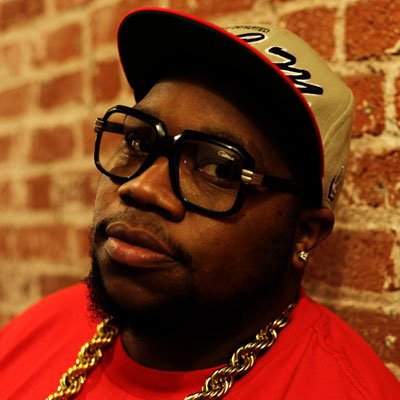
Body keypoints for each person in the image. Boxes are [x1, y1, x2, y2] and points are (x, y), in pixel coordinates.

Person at [0, 7, 398, 400]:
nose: (142, 187)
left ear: (304, 233)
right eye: (139, 142)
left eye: (219, 169)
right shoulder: (35, 332)